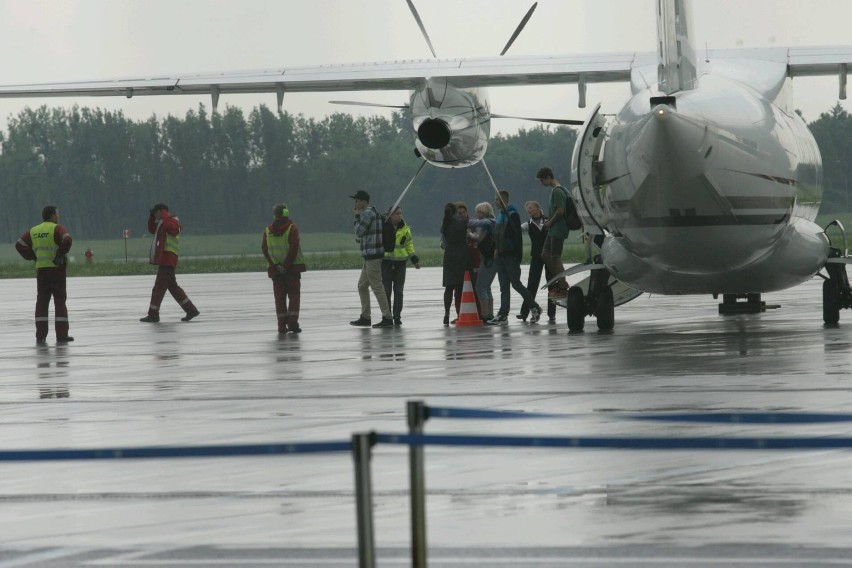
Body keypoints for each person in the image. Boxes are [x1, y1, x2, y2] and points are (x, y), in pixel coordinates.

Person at [15, 205, 74, 344]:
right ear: (52, 215)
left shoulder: (34, 230)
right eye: (57, 214)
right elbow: (67, 240)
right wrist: (59, 255)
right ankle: (61, 335)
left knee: (41, 303)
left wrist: (32, 256)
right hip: (56, 270)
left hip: (42, 271)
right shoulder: (57, 228)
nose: (58, 217)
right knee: (59, 301)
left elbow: (19, 244)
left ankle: (40, 336)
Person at [140, 203, 200, 323]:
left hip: (168, 260)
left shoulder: (172, 221)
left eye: (156, 212)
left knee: (158, 288)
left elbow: (171, 229)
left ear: (161, 212)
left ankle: (153, 314)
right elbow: (152, 229)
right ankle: (191, 310)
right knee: (173, 287)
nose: (155, 215)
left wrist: (164, 215)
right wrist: (152, 217)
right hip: (166, 259)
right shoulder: (163, 222)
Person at [489, 190, 542, 325]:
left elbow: (516, 237)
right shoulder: (500, 216)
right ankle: (503, 314)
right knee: (503, 286)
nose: (495, 202)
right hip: (500, 256)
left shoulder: (512, 215)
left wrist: (517, 257)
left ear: (504, 200)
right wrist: (495, 249)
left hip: (510, 256)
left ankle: (534, 306)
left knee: (516, 284)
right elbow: (497, 236)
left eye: (497, 199)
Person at [350, 190, 394, 328]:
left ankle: (387, 317)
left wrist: (357, 217)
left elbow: (358, 231)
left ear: (364, 201)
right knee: (362, 285)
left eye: (357, 201)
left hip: (373, 255)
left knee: (377, 286)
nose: (355, 204)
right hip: (370, 255)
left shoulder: (367, 213)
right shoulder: (373, 212)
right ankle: (365, 316)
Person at [262, 203, 306, 334]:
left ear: (275, 215)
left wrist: (275, 265)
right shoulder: (292, 228)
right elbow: (294, 248)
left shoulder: (268, 230)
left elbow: (265, 249)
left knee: (279, 299)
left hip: (276, 272)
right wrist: (286, 266)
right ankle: (293, 324)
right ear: (286, 213)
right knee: (294, 296)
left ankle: (281, 326)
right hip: (292, 270)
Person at [536, 167, 572, 299]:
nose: (542, 184)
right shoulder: (555, 190)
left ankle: (562, 287)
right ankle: (561, 280)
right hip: (552, 229)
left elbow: (561, 211)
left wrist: (550, 222)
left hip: (558, 229)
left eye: (542, 180)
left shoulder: (557, 191)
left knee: (555, 257)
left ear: (547, 177)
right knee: (545, 254)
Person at [382, 207, 421, 326]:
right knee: (386, 291)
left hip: (400, 264)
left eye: (400, 213)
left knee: (399, 291)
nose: (399, 216)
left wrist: (415, 260)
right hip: (386, 263)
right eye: (396, 213)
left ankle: (397, 316)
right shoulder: (383, 227)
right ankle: (387, 316)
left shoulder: (405, 229)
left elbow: (409, 246)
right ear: (390, 215)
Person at [519, 201, 557, 323]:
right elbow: (516, 231)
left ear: (538, 208)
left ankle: (552, 313)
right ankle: (525, 312)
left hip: (549, 255)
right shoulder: (527, 225)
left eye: (530, 208)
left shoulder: (548, 221)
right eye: (527, 209)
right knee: (532, 284)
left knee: (552, 283)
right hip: (536, 257)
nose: (529, 211)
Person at [440, 202, 477, 325]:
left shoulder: (445, 224)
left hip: (449, 256)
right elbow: (477, 224)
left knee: (449, 287)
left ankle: (446, 313)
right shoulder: (463, 222)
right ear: (456, 212)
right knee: (462, 286)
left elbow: (443, 244)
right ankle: (463, 312)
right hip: (462, 255)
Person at [467, 202, 497, 322]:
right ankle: (490, 313)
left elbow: (479, 236)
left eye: (480, 212)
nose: (477, 214)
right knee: (487, 287)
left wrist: (467, 230)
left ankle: (485, 314)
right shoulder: (490, 224)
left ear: (485, 212)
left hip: (488, 259)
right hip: (489, 258)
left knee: (480, 286)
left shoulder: (489, 222)